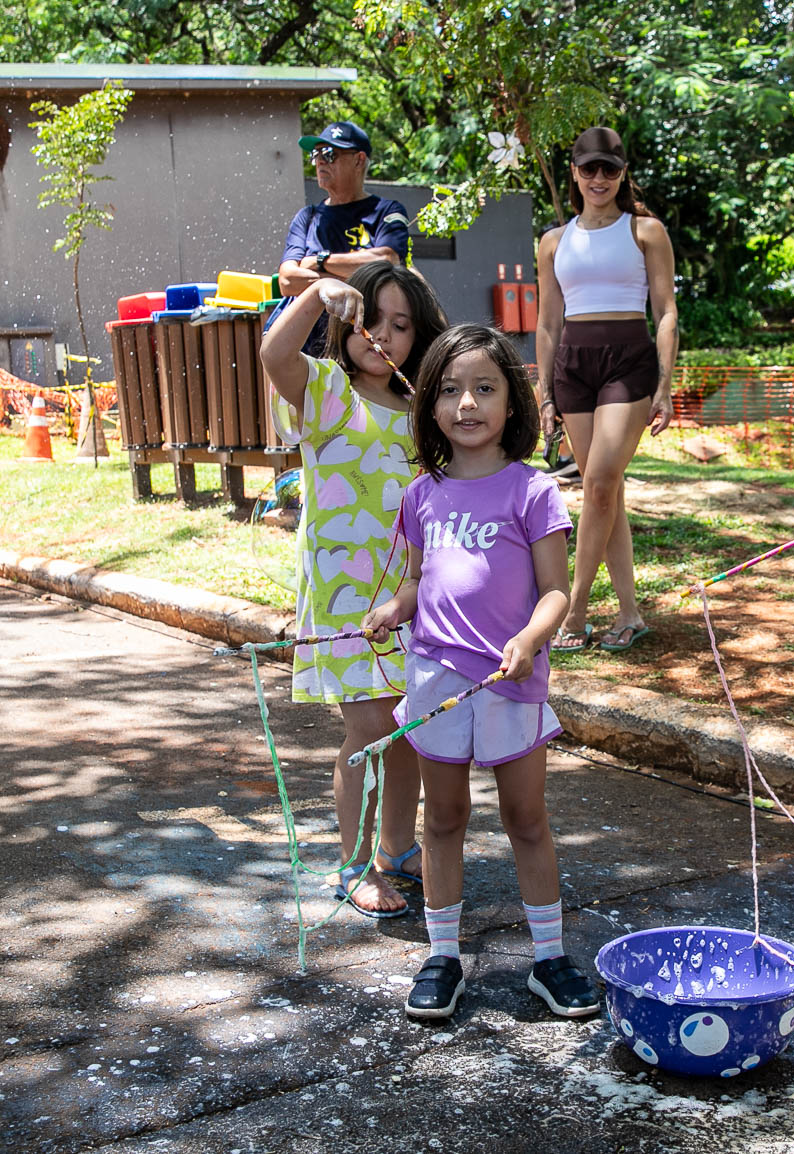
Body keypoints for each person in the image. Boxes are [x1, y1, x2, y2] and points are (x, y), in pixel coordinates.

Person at [362, 323, 599, 1022]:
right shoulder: (421, 494)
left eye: (485, 388)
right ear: (430, 404)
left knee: (527, 818)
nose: (466, 403)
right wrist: (393, 608)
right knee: (444, 819)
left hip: (510, 682)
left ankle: (549, 958)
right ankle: (442, 956)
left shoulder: (533, 491)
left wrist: (530, 637)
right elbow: (418, 581)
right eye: (450, 390)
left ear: (511, 402)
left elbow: (556, 593)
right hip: (435, 680)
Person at [261, 261, 447, 918]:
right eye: (372, 320)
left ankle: (396, 849)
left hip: (409, 597)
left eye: (401, 325)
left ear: (419, 339)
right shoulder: (326, 391)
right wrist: (316, 293)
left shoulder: (424, 411)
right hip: (345, 599)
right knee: (368, 730)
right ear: (346, 324)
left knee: (407, 729)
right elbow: (273, 354)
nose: (384, 336)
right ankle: (353, 864)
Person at [536, 126, 679, 654]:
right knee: (607, 490)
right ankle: (629, 613)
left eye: (610, 169)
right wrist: (545, 392)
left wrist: (665, 383)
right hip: (573, 366)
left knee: (597, 483)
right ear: (575, 172)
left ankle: (574, 611)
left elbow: (665, 311)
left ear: (622, 175)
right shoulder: (553, 241)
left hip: (628, 362)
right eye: (590, 168)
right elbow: (547, 323)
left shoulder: (645, 231)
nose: (599, 178)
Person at [278, 121, 412, 355]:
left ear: (359, 160)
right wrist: (350, 279)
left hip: (367, 349)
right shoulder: (307, 217)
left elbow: (387, 261)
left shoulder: (386, 211)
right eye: (316, 155)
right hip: (310, 349)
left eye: (329, 154)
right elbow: (288, 281)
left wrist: (319, 261)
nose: (320, 161)